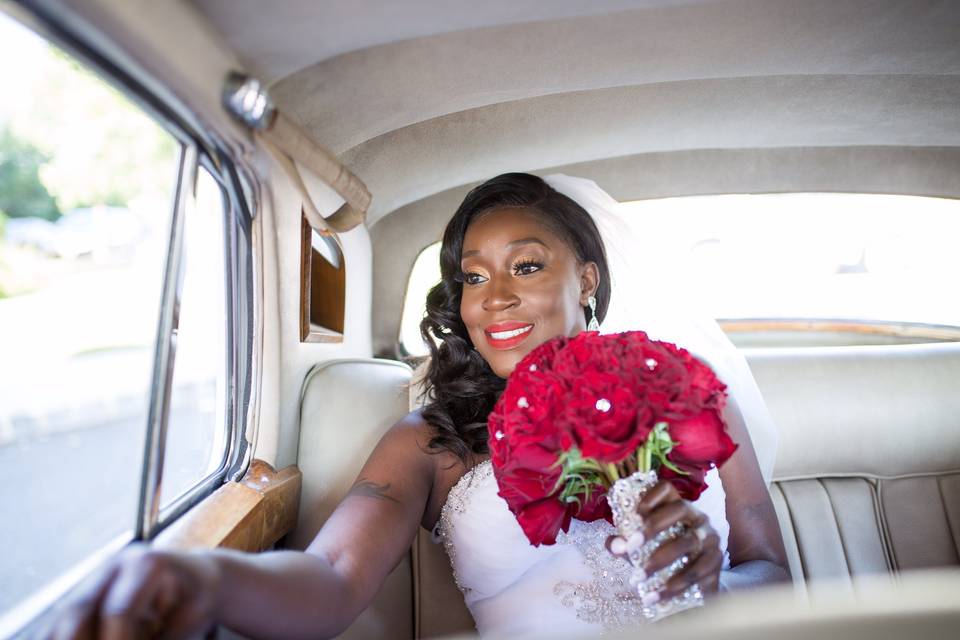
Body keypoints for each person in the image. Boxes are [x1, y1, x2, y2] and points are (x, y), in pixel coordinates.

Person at [49, 173, 789, 639]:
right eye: (472, 277)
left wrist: (716, 582)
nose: (494, 297)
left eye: (527, 266)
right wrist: (204, 578)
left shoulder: (690, 400)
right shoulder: (429, 444)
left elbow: (774, 572)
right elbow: (334, 577)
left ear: (588, 278)